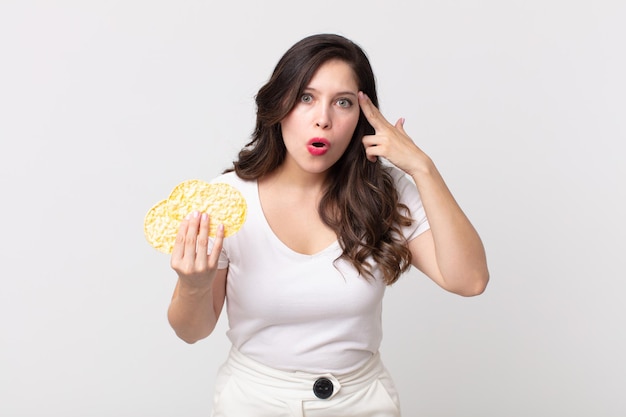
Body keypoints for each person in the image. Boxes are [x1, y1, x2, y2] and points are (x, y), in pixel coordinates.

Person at [167, 33, 489, 416]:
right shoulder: (227, 199)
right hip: (254, 401)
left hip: (362, 401)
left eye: (343, 103)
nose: (323, 118)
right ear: (280, 105)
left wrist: (422, 168)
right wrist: (193, 284)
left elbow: (469, 280)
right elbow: (191, 331)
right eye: (306, 97)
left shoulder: (383, 192)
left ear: (362, 118)